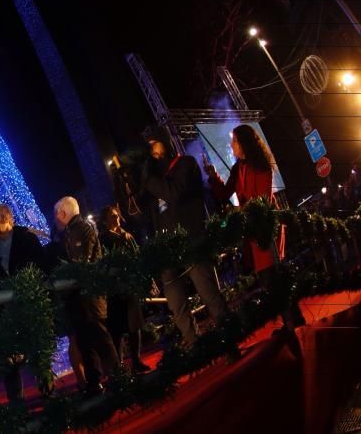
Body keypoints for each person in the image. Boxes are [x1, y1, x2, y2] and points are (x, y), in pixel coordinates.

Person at [204, 124, 304, 329]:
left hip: (266, 228)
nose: (231, 145)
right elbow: (224, 194)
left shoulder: (260, 164)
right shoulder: (237, 168)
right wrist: (214, 176)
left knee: (274, 275)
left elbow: (262, 199)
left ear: (243, 143)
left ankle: (293, 319)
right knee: (268, 278)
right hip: (252, 232)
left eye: (234, 141)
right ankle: (290, 320)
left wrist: (239, 212)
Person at [141, 126, 227, 347]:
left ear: (165, 142)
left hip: (191, 241)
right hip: (168, 249)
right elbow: (149, 213)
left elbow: (174, 193)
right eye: (148, 147)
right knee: (175, 302)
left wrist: (150, 181)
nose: (152, 151)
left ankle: (229, 333)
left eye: (155, 144)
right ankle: (192, 341)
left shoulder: (185, 164)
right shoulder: (157, 178)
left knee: (207, 292)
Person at [0, 203, 48, 402]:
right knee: (10, 356)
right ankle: (18, 403)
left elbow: (40, 265)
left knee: (37, 350)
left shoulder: (27, 239)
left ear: (6, 218)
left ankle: (47, 392)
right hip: (3, 308)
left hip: (27, 302)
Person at [54, 197, 119, 395]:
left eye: (57, 214)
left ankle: (116, 376)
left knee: (99, 337)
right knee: (85, 341)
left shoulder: (81, 229)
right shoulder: (72, 231)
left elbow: (82, 263)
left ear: (63, 213)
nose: (55, 218)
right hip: (81, 297)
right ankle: (95, 381)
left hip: (88, 295)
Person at [99, 205, 151, 373]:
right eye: (112, 216)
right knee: (118, 330)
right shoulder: (104, 239)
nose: (116, 218)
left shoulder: (127, 236)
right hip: (115, 290)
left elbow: (137, 256)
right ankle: (118, 365)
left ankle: (136, 361)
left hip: (130, 286)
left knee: (134, 326)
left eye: (117, 215)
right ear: (105, 220)